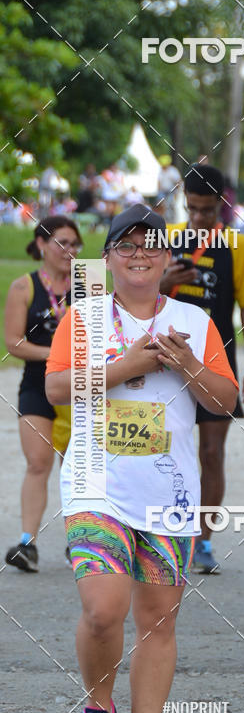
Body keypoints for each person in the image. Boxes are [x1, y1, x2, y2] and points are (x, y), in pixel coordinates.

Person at [45, 204, 238, 713]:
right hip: (95, 486)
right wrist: (124, 365)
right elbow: (56, 387)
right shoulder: (82, 320)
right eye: (124, 246)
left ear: (167, 258)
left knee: (158, 620)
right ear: (106, 258)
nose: (137, 255)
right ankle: (98, 708)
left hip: (167, 492)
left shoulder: (194, 322)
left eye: (149, 245)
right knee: (105, 610)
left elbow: (223, 402)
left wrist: (187, 365)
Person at [160, 164, 244, 574]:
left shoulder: (237, 246)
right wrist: (165, 281)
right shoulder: (165, 240)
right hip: (166, 363)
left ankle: (203, 541)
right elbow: (137, 298)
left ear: (223, 204)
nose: (199, 218)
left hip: (217, 364)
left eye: (207, 210)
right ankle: (164, 534)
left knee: (211, 452)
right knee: (165, 450)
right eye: (192, 209)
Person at [4, 216, 81, 572]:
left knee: (77, 466)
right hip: (37, 385)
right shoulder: (24, 287)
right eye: (61, 242)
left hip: (78, 387)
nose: (70, 250)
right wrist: (53, 354)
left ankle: (78, 541)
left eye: (75, 244)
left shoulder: (89, 284)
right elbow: (13, 342)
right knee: (39, 463)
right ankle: (27, 543)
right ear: (41, 245)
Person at [157, 155, 182, 223]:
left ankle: (172, 221)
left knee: (171, 205)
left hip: (171, 191)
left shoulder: (173, 171)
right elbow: (159, 182)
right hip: (163, 191)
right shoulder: (160, 171)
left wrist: (177, 192)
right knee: (162, 205)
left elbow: (178, 182)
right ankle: (163, 220)